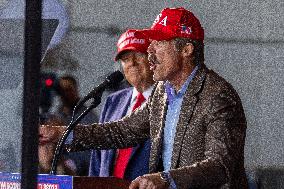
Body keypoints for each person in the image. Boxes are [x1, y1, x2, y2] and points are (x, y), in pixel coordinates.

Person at [47, 7, 248, 188]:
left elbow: (219, 165)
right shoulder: (162, 92)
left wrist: (165, 179)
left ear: (186, 50)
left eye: (159, 42)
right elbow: (121, 131)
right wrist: (63, 134)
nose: (149, 50)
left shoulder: (218, 95)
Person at [88, 29, 155, 181]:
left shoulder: (169, 101)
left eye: (138, 55)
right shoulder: (113, 101)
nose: (132, 63)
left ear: (153, 58)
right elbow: (98, 159)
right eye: (125, 59)